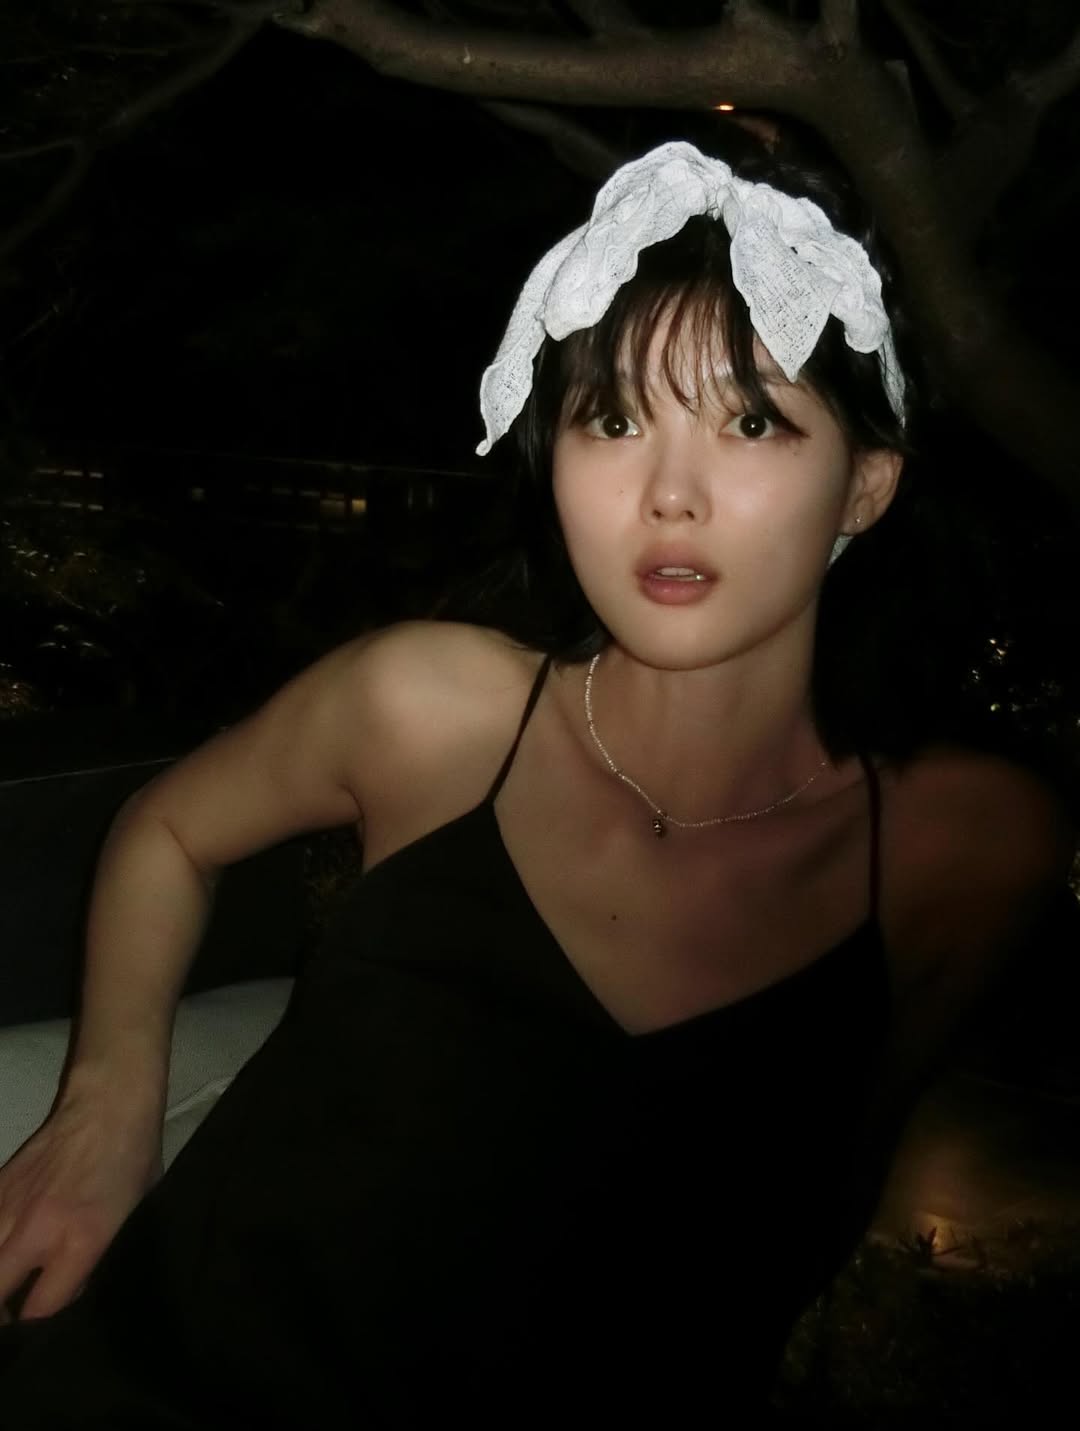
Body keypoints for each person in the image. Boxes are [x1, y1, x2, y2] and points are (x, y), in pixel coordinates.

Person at [0, 137, 1073, 1426]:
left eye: (752, 421)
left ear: (866, 486)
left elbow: (837, 1167)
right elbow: (168, 828)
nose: (669, 496)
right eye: (613, 420)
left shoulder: (964, 845)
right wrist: (107, 1111)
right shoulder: (434, 711)